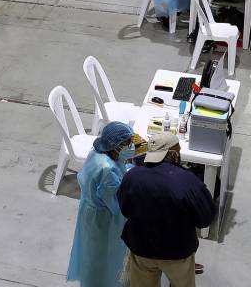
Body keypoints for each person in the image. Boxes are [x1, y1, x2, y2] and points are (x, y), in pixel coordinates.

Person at [117, 134, 215, 287]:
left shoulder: (132, 176)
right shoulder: (188, 181)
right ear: (174, 154)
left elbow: (125, 209)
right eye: (179, 151)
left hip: (141, 248)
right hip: (177, 253)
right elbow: (205, 219)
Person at [67, 122, 134, 287]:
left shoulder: (96, 154)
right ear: (115, 145)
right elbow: (115, 204)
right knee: (106, 257)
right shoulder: (107, 170)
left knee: (90, 254)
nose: (131, 147)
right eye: (127, 144)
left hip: (89, 212)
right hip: (104, 219)